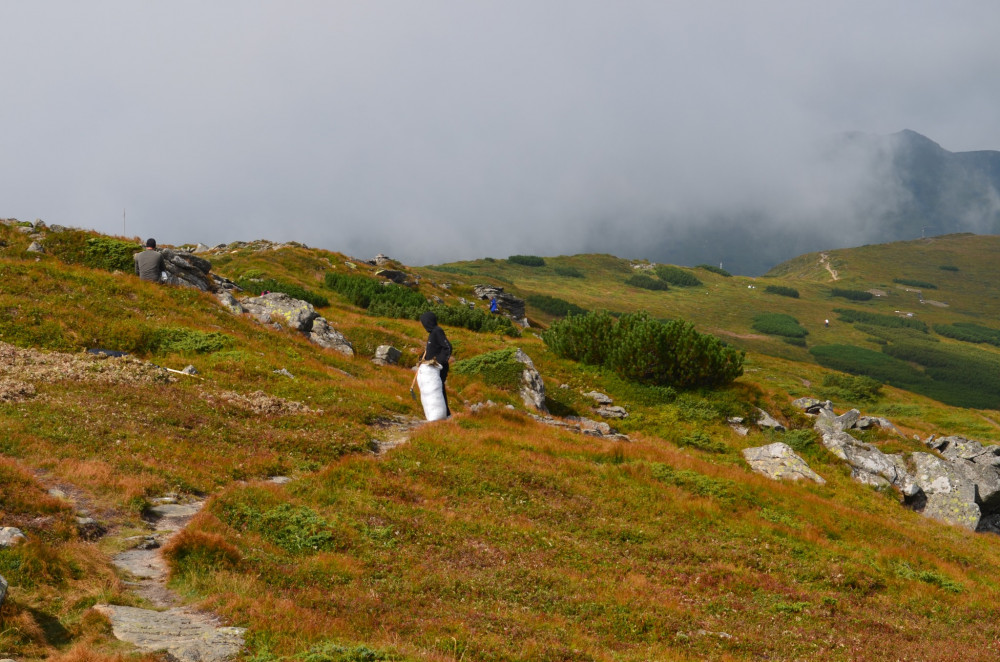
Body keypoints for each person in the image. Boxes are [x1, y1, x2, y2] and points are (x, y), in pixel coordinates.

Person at [420, 311, 452, 417]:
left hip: (439, 368)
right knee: (436, 390)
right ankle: (443, 414)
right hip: (432, 368)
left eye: (424, 322)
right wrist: (422, 359)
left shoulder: (437, 331)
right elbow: (432, 350)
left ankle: (445, 415)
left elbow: (447, 347)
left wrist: (439, 361)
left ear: (428, 322)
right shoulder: (432, 333)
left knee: (439, 389)